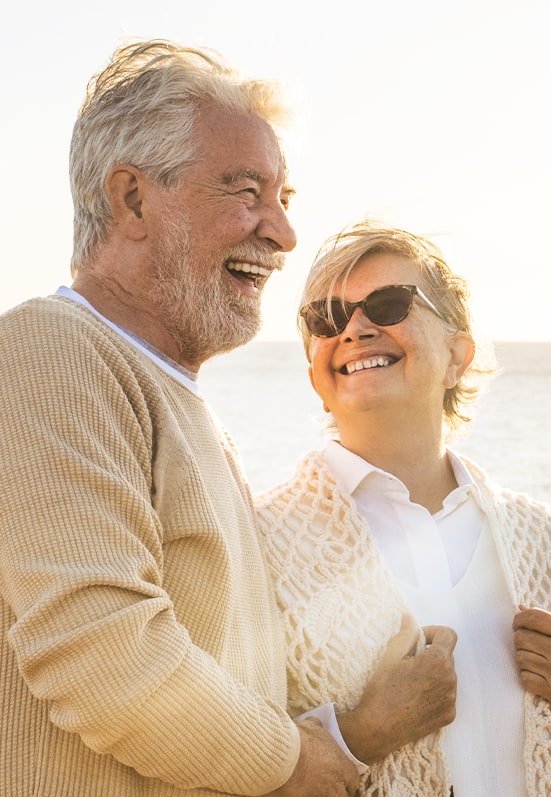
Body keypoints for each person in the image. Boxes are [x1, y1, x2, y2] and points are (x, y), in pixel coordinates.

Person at [0, 39, 363, 797]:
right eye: (244, 191)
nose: (282, 233)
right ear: (131, 199)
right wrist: (296, 761)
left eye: (283, 199)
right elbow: (104, 655)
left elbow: (233, 677)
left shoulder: (182, 401)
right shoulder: (48, 348)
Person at [256, 219, 551, 796]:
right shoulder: (254, 541)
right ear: (315, 371)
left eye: (389, 304)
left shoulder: (541, 540)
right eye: (326, 319)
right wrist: (359, 734)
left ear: (457, 356)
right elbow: (220, 764)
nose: (355, 329)